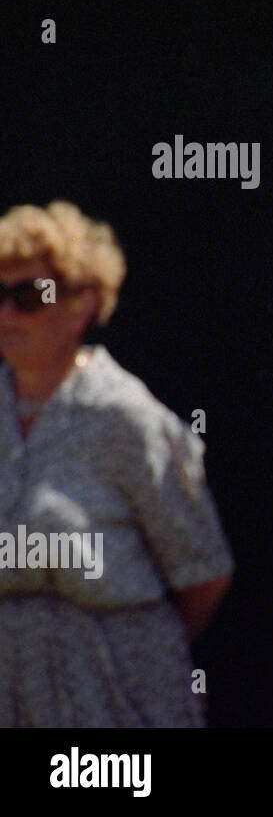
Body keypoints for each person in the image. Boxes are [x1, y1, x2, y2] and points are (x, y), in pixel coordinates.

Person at [0, 201, 233, 727]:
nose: (7, 314)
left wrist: (101, 646)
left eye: (28, 295)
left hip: (119, 705)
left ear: (82, 303)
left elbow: (203, 571)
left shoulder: (125, 417)